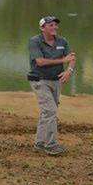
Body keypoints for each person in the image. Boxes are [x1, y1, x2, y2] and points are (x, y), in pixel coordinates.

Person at [28, 15, 75, 156]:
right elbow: (40, 62)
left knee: (47, 112)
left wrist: (69, 70)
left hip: (56, 81)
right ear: (42, 28)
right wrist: (62, 60)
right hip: (39, 80)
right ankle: (51, 145)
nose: (55, 27)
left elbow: (72, 58)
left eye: (55, 25)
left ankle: (40, 143)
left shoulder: (62, 41)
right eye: (51, 25)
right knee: (50, 111)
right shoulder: (35, 41)